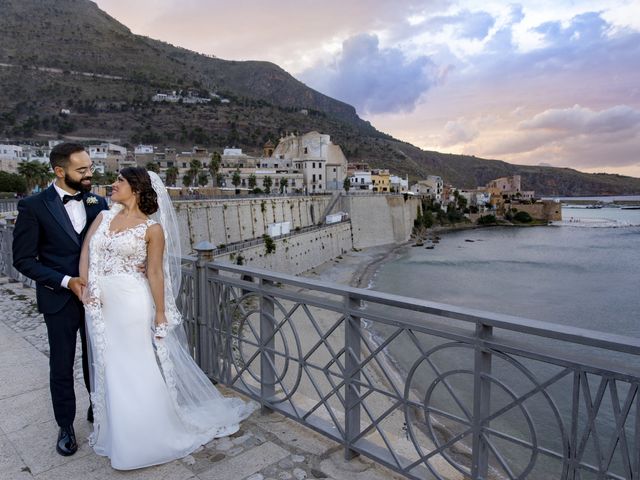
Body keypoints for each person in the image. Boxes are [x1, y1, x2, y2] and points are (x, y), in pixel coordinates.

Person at [79, 167, 254, 470]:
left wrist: (160, 313)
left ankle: (147, 437)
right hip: (99, 305)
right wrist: (85, 288)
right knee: (110, 366)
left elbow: (155, 272)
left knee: (135, 365)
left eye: (119, 180)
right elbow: (85, 252)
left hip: (132, 304)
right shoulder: (103, 217)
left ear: (135, 187)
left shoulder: (151, 229)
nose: (113, 184)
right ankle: (119, 435)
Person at [12, 143, 109, 456]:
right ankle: (66, 424)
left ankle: (97, 407)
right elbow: (24, 260)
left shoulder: (99, 202)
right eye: (82, 170)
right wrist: (68, 281)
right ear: (59, 171)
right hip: (59, 298)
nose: (89, 174)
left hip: (96, 298)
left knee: (97, 357)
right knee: (61, 364)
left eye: (90, 168)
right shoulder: (33, 206)